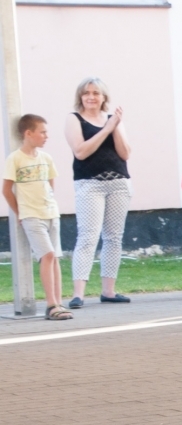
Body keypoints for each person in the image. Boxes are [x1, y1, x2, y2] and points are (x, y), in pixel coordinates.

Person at [65, 77, 132, 308]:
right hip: (89, 184)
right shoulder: (74, 119)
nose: (91, 97)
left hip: (119, 183)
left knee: (114, 237)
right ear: (80, 97)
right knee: (88, 236)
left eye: (96, 93)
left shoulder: (113, 120)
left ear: (104, 97)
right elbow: (81, 152)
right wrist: (107, 129)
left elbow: (125, 153)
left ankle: (109, 291)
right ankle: (78, 294)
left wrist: (115, 127)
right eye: (86, 93)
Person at [2, 114, 71, 320]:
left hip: (51, 213)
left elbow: (50, 184)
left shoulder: (46, 158)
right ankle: (51, 304)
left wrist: (50, 204)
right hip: (31, 215)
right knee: (47, 255)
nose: (46, 136)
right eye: (42, 132)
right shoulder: (15, 159)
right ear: (28, 133)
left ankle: (58, 302)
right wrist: (20, 213)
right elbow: (6, 190)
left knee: (55, 257)